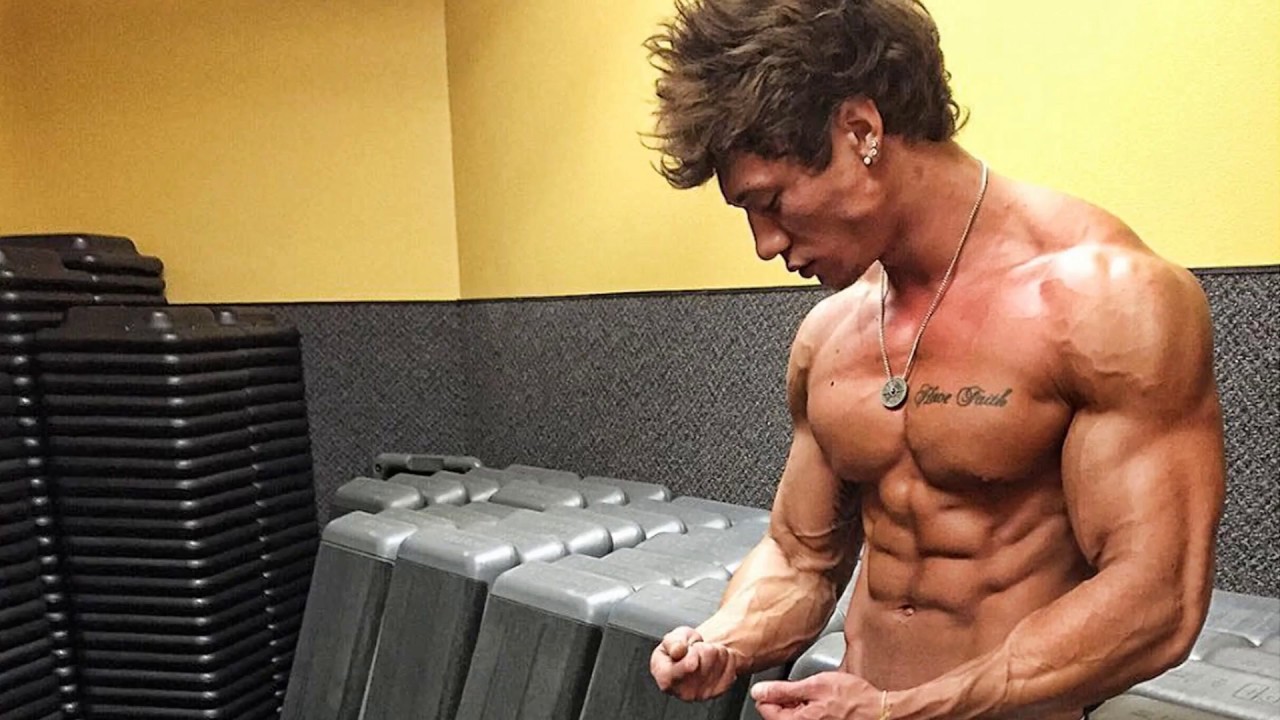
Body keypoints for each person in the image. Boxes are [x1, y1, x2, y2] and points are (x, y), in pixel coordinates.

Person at [643, 1, 1226, 718]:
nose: (765, 245)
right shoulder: (831, 334)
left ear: (861, 131)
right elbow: (799, 560)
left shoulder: (1105, 301)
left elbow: (1156, 601)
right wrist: (724, 638)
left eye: (771, 202)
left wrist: (902, 709)